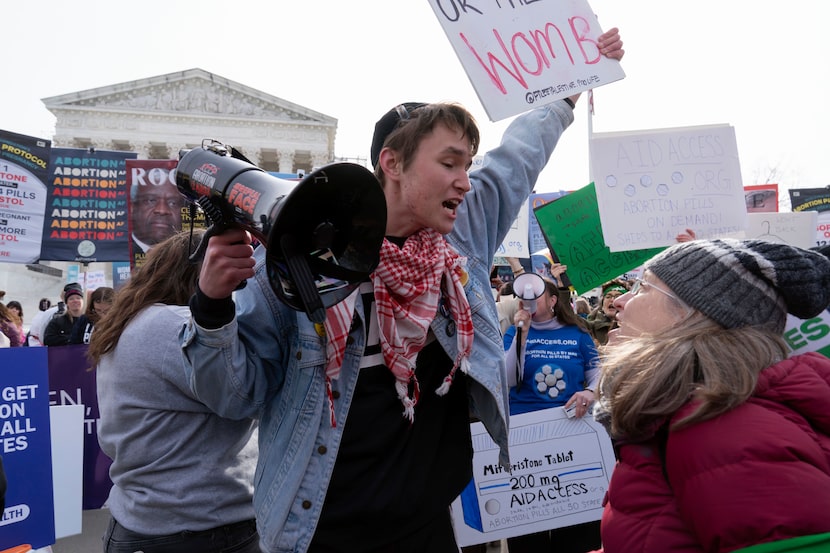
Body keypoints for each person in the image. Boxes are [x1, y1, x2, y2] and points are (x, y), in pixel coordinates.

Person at [180, 29, 624, 553]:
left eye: (468, 164)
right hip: (320, 530)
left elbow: (518, 158)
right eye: (449, 162)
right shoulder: (296, 258)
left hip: (431, 524)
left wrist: (572, 81)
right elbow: (234, 397)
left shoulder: (459, 233)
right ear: (392, 164)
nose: (466, 180)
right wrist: (211, 307)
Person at [593, 239, 830, 553]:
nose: (622, 300)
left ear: (691, 315)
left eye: (643, 287)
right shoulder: (690, 414)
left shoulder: (725, 432)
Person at [88, 230, 260, 553]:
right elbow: (247, 393)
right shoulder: (171, 326)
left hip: (148, 522)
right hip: (196, 529)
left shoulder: (134, 322)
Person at [503, 279, 601, 553]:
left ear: (554, 300)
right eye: (522, 295)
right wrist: (521, 334)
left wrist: (590, 392)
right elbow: (509, 378)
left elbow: (596, 373)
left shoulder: (578, 334)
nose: (528, 299)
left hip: (571, 430)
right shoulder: (514, 332)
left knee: (575, 522)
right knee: (528, 522)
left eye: (536, 294)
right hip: (525, 435)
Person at [131, 174, 186, 254]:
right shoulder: (121, 252)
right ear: (133, 207)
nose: (162, 210)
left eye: (173, 203)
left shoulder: (192, 255)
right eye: (151, 200)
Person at [584, 278, 629, 345]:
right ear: (602, 303)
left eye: (618, 296)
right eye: (608, 297)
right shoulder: (589, 327)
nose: (612, 300)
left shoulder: (635, 328)